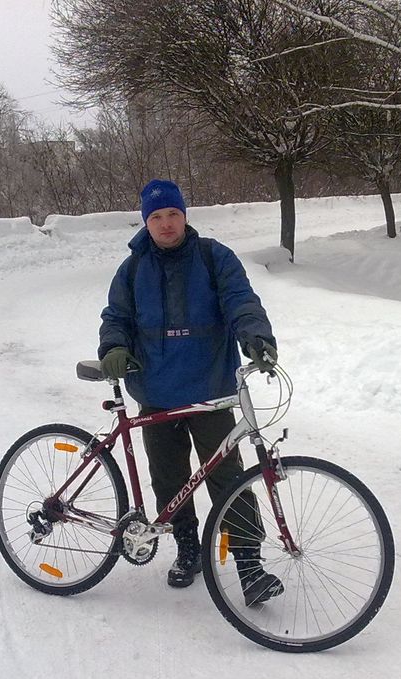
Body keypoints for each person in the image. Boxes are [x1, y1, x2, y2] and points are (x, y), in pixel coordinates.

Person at [98, 178, 283, 606]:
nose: (166, 224)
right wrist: (114, 347)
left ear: (184, 216)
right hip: (155, 390)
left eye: (173, 214)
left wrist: (255, 336)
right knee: (169, 479)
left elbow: (241, 301)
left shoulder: (214, 258)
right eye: (156, 217)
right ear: (146, 222)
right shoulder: (133, 269)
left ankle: (249, 567)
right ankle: (188, 549)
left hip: (209, 389)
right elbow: (116, 317)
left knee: (228, 479)